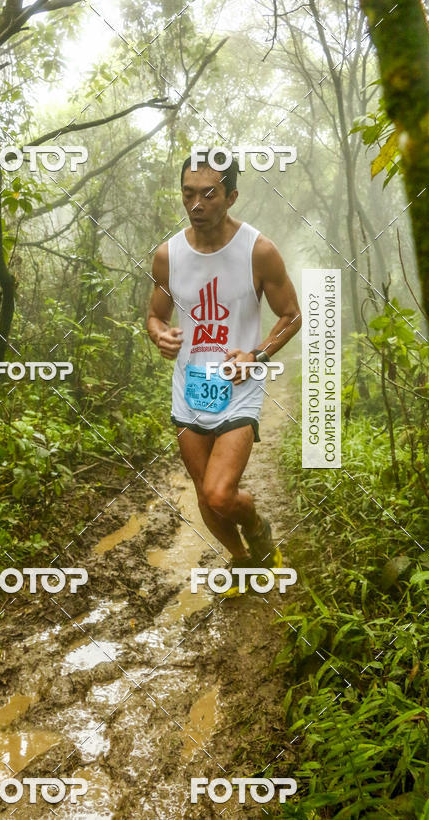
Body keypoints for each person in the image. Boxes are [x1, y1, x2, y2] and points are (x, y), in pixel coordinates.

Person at [146, 153, 301, 587]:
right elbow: (155, 316)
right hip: (190, 386)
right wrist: (160, 334)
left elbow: (290, 315)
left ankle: (256, 528)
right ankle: (241, 559)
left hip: (240, 385)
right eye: (189, 193)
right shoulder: (168, 255)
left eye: (208, 194)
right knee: (204, 495)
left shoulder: (259, 251)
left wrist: (257, 355)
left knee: (220, 491)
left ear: (231, 196)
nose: (196, 204)